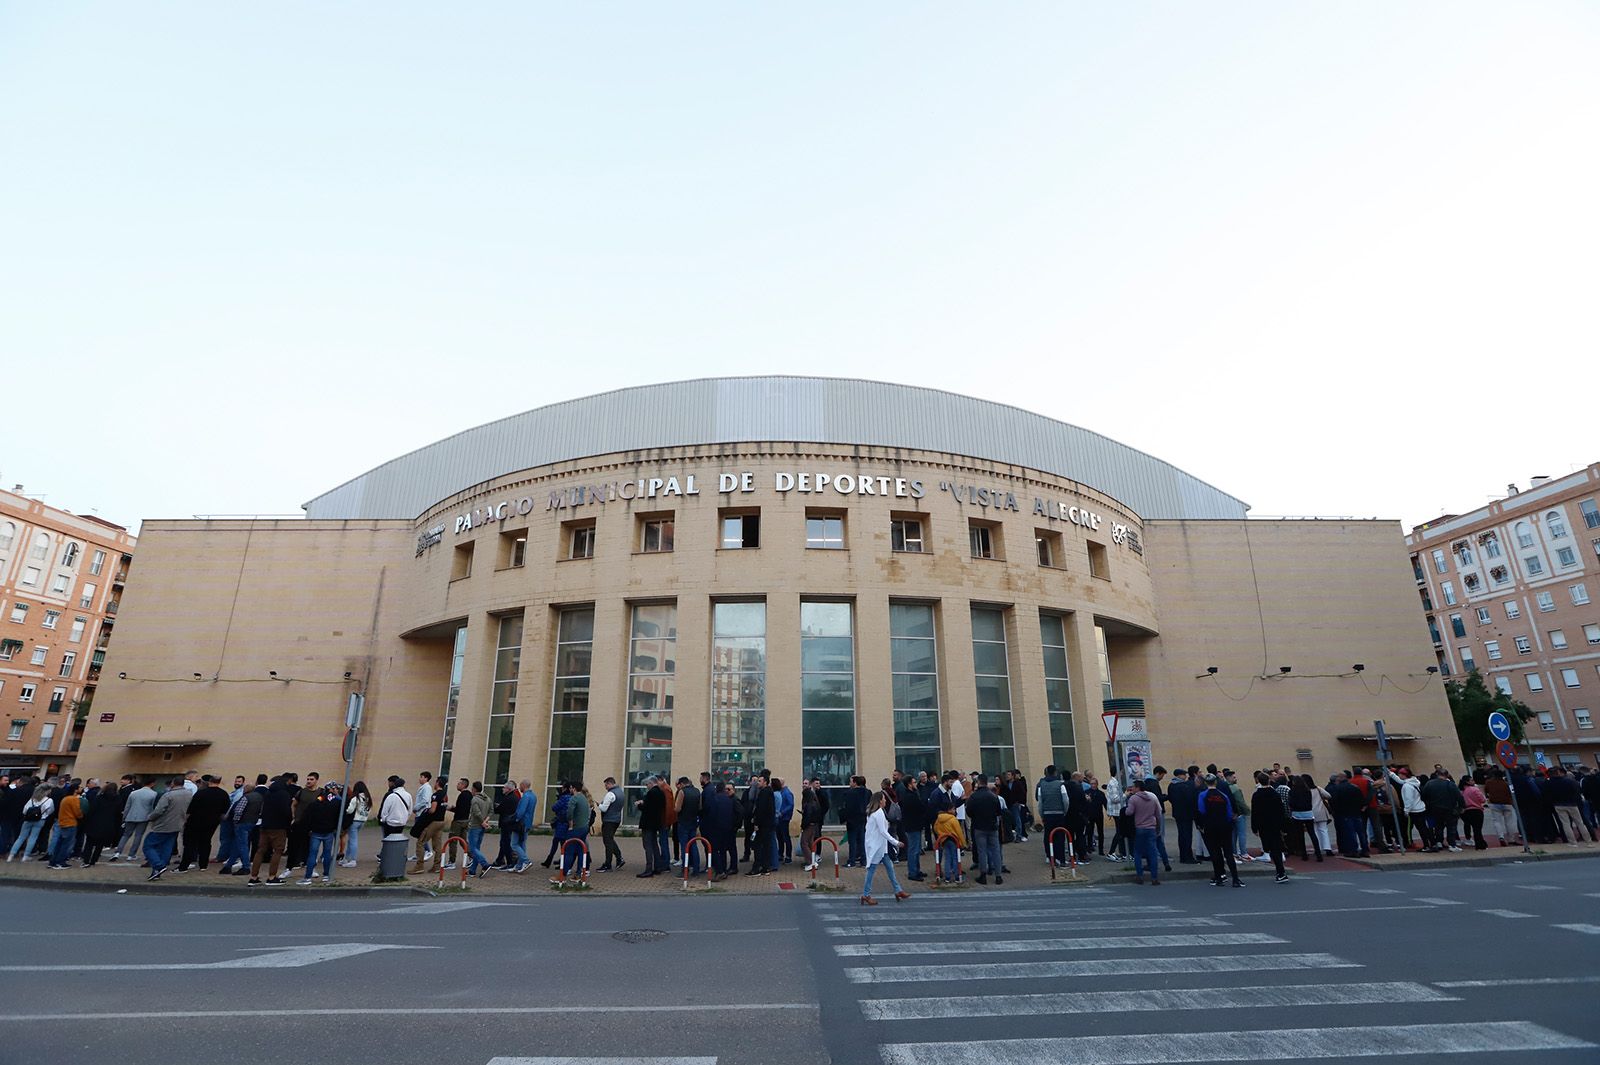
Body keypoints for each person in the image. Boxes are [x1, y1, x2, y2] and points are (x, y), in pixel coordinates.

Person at [860, 792, 908, 905]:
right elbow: (883, 832)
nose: (885, 801)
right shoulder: (879, 813)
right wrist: (895, 842)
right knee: (871, 870)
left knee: (890, 867)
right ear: (879, 801)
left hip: (879, 846)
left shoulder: (873, 813)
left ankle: (898, 890)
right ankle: (866, 894)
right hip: (877, 846)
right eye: (884, 799)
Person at [143, 776, 193, 881]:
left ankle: (158, 865)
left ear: (173, 783)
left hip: (163, 825)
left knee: (148, 846)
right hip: (177, 824)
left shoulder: (168, 795)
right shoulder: (189, 794)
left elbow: (159, 810)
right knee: (166, 847)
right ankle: (158, 871)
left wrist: (150, 817)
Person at [1196, 773, 1242, 887]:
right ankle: (1235, 879)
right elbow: (1229, 813)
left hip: (1210, 826)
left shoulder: (1202, 795)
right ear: (1215, 782)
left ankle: (1219, 877)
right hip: (1224, 826)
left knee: (1215, 852)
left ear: (1206, 783)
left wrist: (1202, 825)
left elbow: (1201, 810)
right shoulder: (1223, 795)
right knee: (1228, 853)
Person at [179, 775, 230, 871]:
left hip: (195, 822)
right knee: (206, 843)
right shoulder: (224, 794)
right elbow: (225, 811)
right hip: (212, 823)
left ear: (209, 781)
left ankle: (184, 866)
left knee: (190, 843)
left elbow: (190, 809)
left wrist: (185, 820)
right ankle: (203, 865)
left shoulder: (201, 793)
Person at [1250, 770, 1289, 883]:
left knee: (1269, 847)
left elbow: (1255, 812)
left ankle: (1279, 870)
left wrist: (1254, 827)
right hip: (1275, 824)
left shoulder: (1256, 795)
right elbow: (1281, 811)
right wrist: (1283, 827)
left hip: (1263, 825)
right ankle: (1280, 871)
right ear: (1268, 780)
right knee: (1276, 846)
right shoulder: (1274, 794)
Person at [965, 774, 1004, 885]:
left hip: (979, 826)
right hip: (992, 826)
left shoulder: (974, 796)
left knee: (982, 851)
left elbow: (969, 811)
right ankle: (998, 876)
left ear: (978, 782)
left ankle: (983, 875)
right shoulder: (993, 796)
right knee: (995, 850)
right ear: (987, 782)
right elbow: (998, 812)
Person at [298, 786, 341, 884]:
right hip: (329, 831)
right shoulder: (336, 803)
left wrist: (308, 829)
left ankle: (308, 877)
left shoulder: (315, 804)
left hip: (316, 832)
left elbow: (307, 817)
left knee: (312, 854)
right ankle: (326, 875)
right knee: (327, 854)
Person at [110, 777, 157, 862]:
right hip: (144, 817)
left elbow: (127, 806)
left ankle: (117, 852)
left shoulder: (133, 793)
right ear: (152, 784)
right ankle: (131, 854)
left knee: (126, 835)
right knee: (138, 836)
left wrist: (124, 817)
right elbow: (152, 807)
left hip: (131, 816)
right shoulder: (153, 794)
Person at [1125, 778, 1161, 885]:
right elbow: (1158, 814)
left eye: (1134, 787)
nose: (1132, 789)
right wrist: (1158, 827)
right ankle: (1154, 877)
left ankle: (1140, 876)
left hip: (1139, 827)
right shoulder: (1152, 798)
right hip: (1151, 827)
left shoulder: (1133, 799)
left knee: (1138, 852)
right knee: (1152, 852)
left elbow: (1129, 812)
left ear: (1138, 788)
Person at [556, 780, 591, 882]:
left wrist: (570, 824)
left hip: (576, 828)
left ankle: (562, 875)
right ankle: (579, 874)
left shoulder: (574, 798)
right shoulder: (584, 798)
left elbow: (569, 813)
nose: (570, 790)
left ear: (573, 788)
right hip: (584, 828)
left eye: (571, 788)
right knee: (581, 851)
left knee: (568, 851)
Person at [1034, 765, 1069, 866]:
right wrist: (1064, 811)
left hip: (1047, 814)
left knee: (1048, 836)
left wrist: (1042, 814)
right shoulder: (1060, 785)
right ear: (1055, 772)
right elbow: (1065, 800)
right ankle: (1061, 858)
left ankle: (1050, 856)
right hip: (1059, 814)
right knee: (1060, 837)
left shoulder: (1041, 785)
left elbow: (1040, 802)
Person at [7, 785, 52, 862]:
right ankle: (26, 856)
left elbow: (25, 810)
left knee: (21, 837)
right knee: (33, 837)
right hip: (40, 820)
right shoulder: (49, 800)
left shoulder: (32, 799)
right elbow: (50, 811)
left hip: (28, 820)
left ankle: (11, 855)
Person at [896, 775, 927, 881]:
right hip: (912, 825)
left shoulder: (911, 794)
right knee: (913, 849)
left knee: (916, 849)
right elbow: (919, 807)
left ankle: (916, 870)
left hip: (914, 825)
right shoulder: (910, 796)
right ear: (909, 784)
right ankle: (913, 872)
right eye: (914, 782)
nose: (915, 784)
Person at [636, 775, 666, 877]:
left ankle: (649, 869)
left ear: (651, 783)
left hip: (648, 823)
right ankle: (658, 867)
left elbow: (647, 808)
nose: (646, 786)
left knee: (647, 845)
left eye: (647, 784)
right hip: (656, 822)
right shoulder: (661, 793)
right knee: (654, 845)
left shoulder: (651, 793)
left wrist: (639, 805)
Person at [46, 781, 81, 870]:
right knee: (66, 844)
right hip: (70, 823)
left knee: (59, 843)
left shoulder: (65, 798)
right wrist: (81, 814)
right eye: (79, 788)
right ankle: (60, 862)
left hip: (62, 822)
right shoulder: (74, 799)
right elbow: (78, 812)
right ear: (76, 790)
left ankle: (53, 861)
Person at [1167, 768, 1197, 864]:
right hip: (1187, 814)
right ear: (1179, 775)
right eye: (1184, 775)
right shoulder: (1184, 786)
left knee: (1181, 835)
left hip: (1177, 813)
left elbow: (1171, 798)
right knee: (1187, 835)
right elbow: (1190, 799)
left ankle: (1183, 856)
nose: (1186, 776)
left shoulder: (1171, 785)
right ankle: (1188, 857)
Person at [339, 781, 372, 868]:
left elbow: (350, 810)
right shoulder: (368, 798)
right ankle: (346, 858)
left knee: (353, 840)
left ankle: (353, 860)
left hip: (354, 820)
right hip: (363, 820)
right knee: (352, 840)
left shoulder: (355, 798)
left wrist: (345, 811)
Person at [674, 776, 702, 875]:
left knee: (684, 846)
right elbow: (700, 807)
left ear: (681, 784)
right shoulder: (697, 791)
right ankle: (696, 869)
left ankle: (684, 869)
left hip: (683, 822)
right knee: (693, 845)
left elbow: (677, 808)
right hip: (693, 821)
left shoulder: (682, 792)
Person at [596, 777, 625, 871]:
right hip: (616, 819)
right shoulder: (620, 792)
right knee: (610, 839)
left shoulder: (610, 794)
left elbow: (604, 808)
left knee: (607, 842)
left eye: (606, 785)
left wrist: (598, 805)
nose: (605, 787)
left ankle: (608, 864)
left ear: (610, 783)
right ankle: (619, 858)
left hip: (609, 820)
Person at [841, 775, 870, 868]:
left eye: (851, 782)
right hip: (863, 819)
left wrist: (844, 819)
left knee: (852, 841)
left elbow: (847, 808)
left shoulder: (849, 794)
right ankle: (863, 860)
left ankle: (852, 861)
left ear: (855, 783)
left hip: (852, 820)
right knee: (862, 840)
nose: (850, 784)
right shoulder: (867, 792)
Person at [465, 781, 492, 877]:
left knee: (472, 849)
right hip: (482, 827)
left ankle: (485, 864)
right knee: (477, 848)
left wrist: (482, 822)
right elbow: (491, 811)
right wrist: (486, 821)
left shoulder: (475, 800)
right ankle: (472, 870)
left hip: (475, 826)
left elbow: (476, 813)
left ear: (474, 789)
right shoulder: (487, 799)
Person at [510, 779, 537, 873]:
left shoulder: (525, 797)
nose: (519, 787)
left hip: (521, 823)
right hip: (528, 823)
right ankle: (519, 865)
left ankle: (526, 861)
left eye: (520, 785)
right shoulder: (533, 796)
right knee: (522, 843)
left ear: (523, 785)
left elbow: (521, 811)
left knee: (514, 844)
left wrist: (515, 819)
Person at [1460, 774, 1488, 851]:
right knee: (1477, 828)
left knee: (1473, 827)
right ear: (1467, 782)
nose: (1473, 781)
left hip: (1467, 810)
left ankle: (1480, 842)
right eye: (1471, 780)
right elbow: (1482, 799)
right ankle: (1480, 843)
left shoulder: (1463, 791)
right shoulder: (1474, 789)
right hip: (1476, 809)